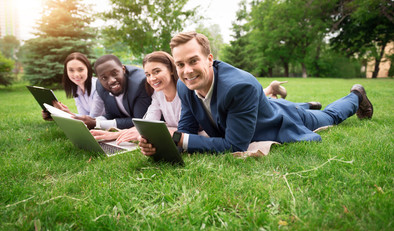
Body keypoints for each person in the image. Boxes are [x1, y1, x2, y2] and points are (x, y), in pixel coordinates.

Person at [138, 31, 373, 155]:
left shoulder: (241, 86)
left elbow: (235, 146)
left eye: (193, 61)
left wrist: (179, 140)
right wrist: (162, 146)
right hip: (259, 108)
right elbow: (187, 130)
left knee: (330, 117)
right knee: (290, 106)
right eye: (180, 64)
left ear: (209, 59)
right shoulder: (183, 85)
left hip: (283, 120)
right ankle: (307, 103)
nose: (187, 71)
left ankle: (356, 96)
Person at [90, 51, 320, 144]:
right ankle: (302, 102)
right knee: (273, 103)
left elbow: (205, 129)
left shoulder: (188, 90)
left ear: (172, 70)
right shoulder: (158, 96)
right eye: (148, 74)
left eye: (157, 72)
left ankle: (275, 92)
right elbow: (149, 121)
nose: (151, 78)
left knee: (270, 103)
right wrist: (118, 135)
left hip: (261, 112)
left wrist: (175, 136)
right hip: (259, 108)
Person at [74, 54, 152, 130]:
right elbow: (113, 114)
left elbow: (140, 122)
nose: (111, 81)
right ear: (99, 79)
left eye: (114, 73)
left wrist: (97, 124)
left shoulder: (139, 84)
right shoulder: (100, 86)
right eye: (104, 78)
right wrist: (94, 120)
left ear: (123, 69)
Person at [42, 52, 105, 120]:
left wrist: (67, 114)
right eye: (71, 70)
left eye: (80, 69)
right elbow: (83, 115)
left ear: (88, 69)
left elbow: (92, 119)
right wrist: (57, 114)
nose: (76, 75)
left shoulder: (98, 87)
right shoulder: (76, 88)